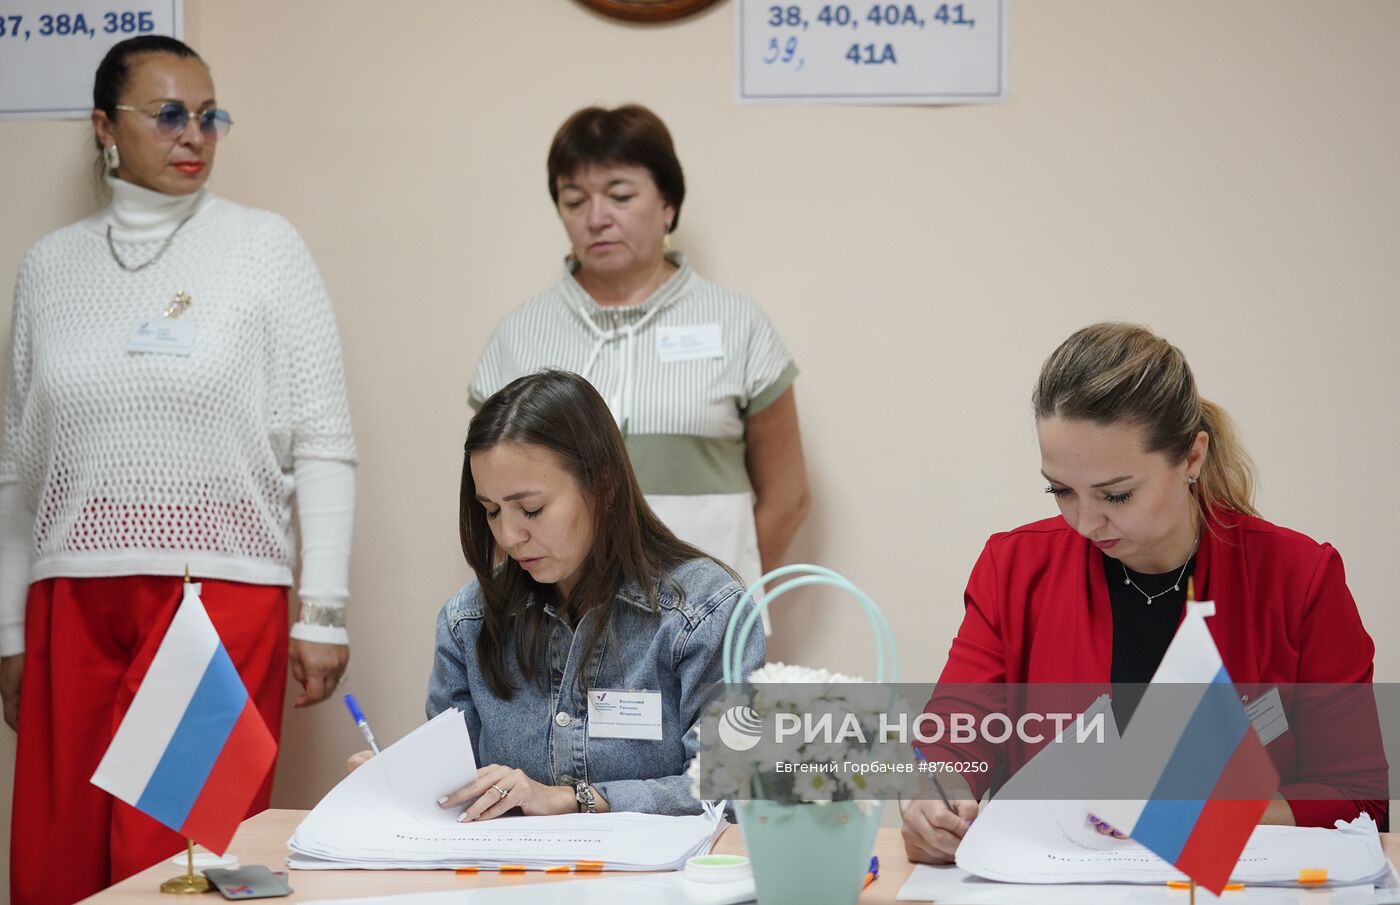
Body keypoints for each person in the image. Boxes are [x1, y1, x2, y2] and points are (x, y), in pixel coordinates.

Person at [0, 37, 356, 905]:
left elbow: (323, 438)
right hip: (71, 600)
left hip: (217, 601)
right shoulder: (47, 269)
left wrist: (326, 609)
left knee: (177, 860)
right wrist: (9, 629)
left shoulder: (264, 249)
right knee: (60, 859)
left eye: (208, 116)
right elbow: (17, 467)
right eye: (167, 114)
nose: (193, 133)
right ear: (104, 127)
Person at [901, 322, 1383, 865]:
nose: (1085, 522)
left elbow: (1358, 795)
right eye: (1060, 491)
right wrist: (931, 800)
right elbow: (951, 742)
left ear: (1191, 458)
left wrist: (1205, 813)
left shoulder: (1299, 578)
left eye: (1117, 494)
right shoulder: (1013, 569)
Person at [350, 370, 762, 818]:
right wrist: (401, 783)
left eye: (531, 509)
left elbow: (739, 792)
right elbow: (458, 790)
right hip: (507, 883)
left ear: (603, 486)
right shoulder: (468, 621)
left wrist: (574, 799)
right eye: (490, 511)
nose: (509, 536)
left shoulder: (706, 611)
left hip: (657, 884)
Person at [469, 104, 808, 601]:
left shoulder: (739, 324)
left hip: (703, 622)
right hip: (555, 624)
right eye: (574, 200)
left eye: (621, 195)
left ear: (668, 203)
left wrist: (729, 601)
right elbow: (491, 498)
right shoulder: (518, 334)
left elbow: (788, 497)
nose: (597, 218)